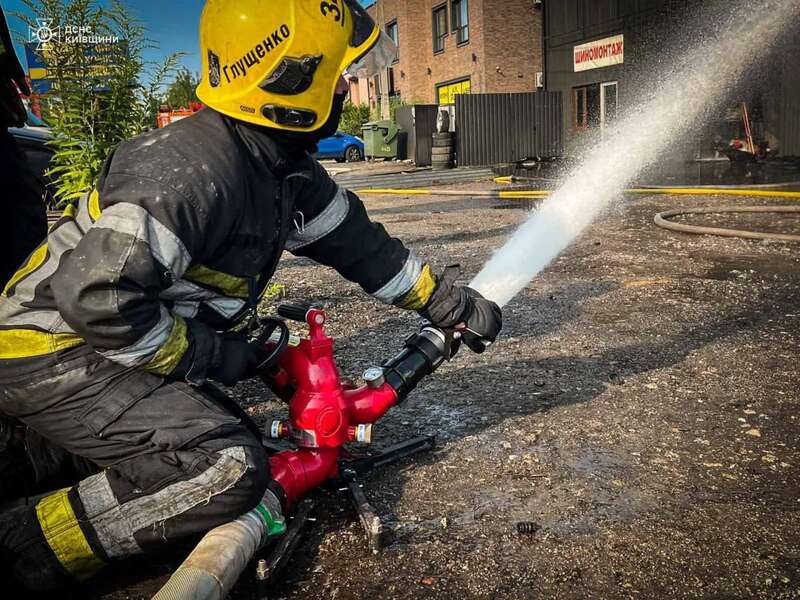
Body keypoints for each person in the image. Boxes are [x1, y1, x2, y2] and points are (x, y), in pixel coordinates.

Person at [0, 0, 502, 591]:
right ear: (291, 78)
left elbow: (366, 250)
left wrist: (447, 304)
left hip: (89, 350)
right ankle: (20, 548)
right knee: (224, 465)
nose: (346, 85)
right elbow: (100, 299)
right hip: (53, 351)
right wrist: (210, 355)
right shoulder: (196, 172)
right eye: (337, 71)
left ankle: (32, 455)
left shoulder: (281, 168)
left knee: (231, 437)